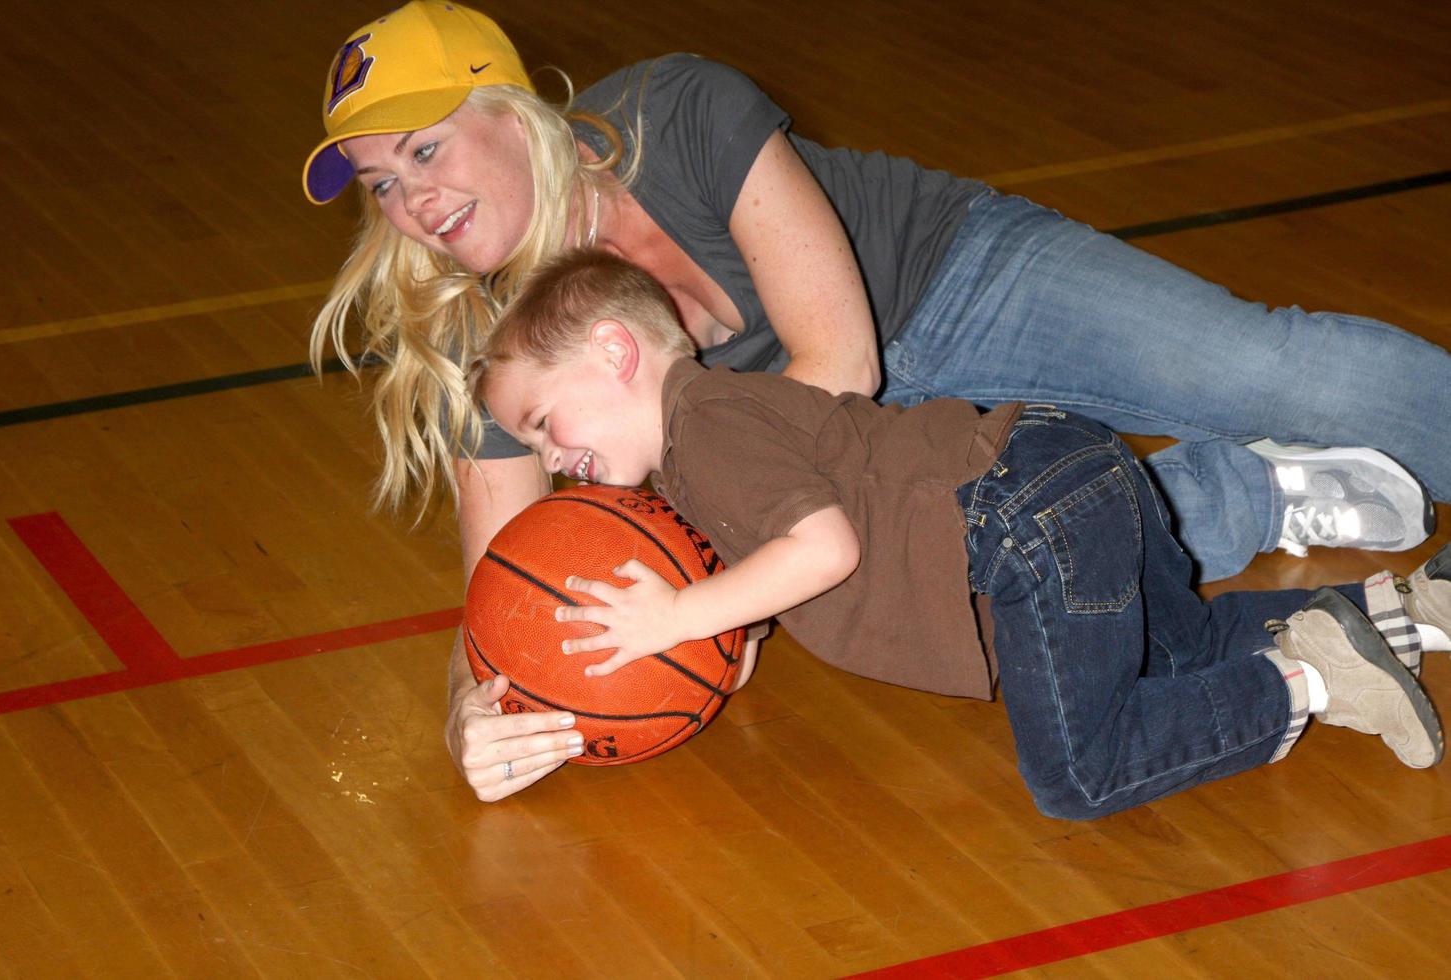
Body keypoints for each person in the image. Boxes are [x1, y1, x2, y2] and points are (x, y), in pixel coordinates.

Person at [301, 2, 1451, 798]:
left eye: (426, 148)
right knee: (1025, 581)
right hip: (850, 466)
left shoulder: (680, 111)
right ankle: (1233, 487)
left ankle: (1232, 473)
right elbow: (506, 581)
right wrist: (479, 706)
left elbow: (841, 361)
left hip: (944, 285)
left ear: (512, 107)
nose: (413, 201)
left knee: (1268, 367)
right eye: (383, 184)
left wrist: (716, 594)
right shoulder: (489, 344)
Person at [472, 248, 1449, 818]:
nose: (554, 459)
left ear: (612, 351)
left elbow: (823, 550)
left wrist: (677, 613)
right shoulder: (720, 428)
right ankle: (1400, 606)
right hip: (1064, 468)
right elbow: (782, 573)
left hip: (1026, 523)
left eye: (546, 423)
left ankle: (1316, 672)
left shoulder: (706, 427)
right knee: (1177, 644)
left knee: (1082, 769)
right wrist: (712, 637)